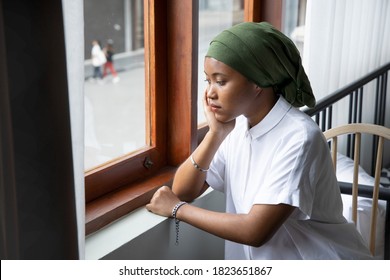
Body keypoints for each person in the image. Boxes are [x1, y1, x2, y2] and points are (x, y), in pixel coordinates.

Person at [146, 22, 372, 260]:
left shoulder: (299, 137)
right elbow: (183, 189)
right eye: (208, 81)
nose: (210, 93)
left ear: (258, 82)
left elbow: (255, 230)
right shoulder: (238, 126)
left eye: (221, 81)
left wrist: (177, 210)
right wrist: (215, 134)